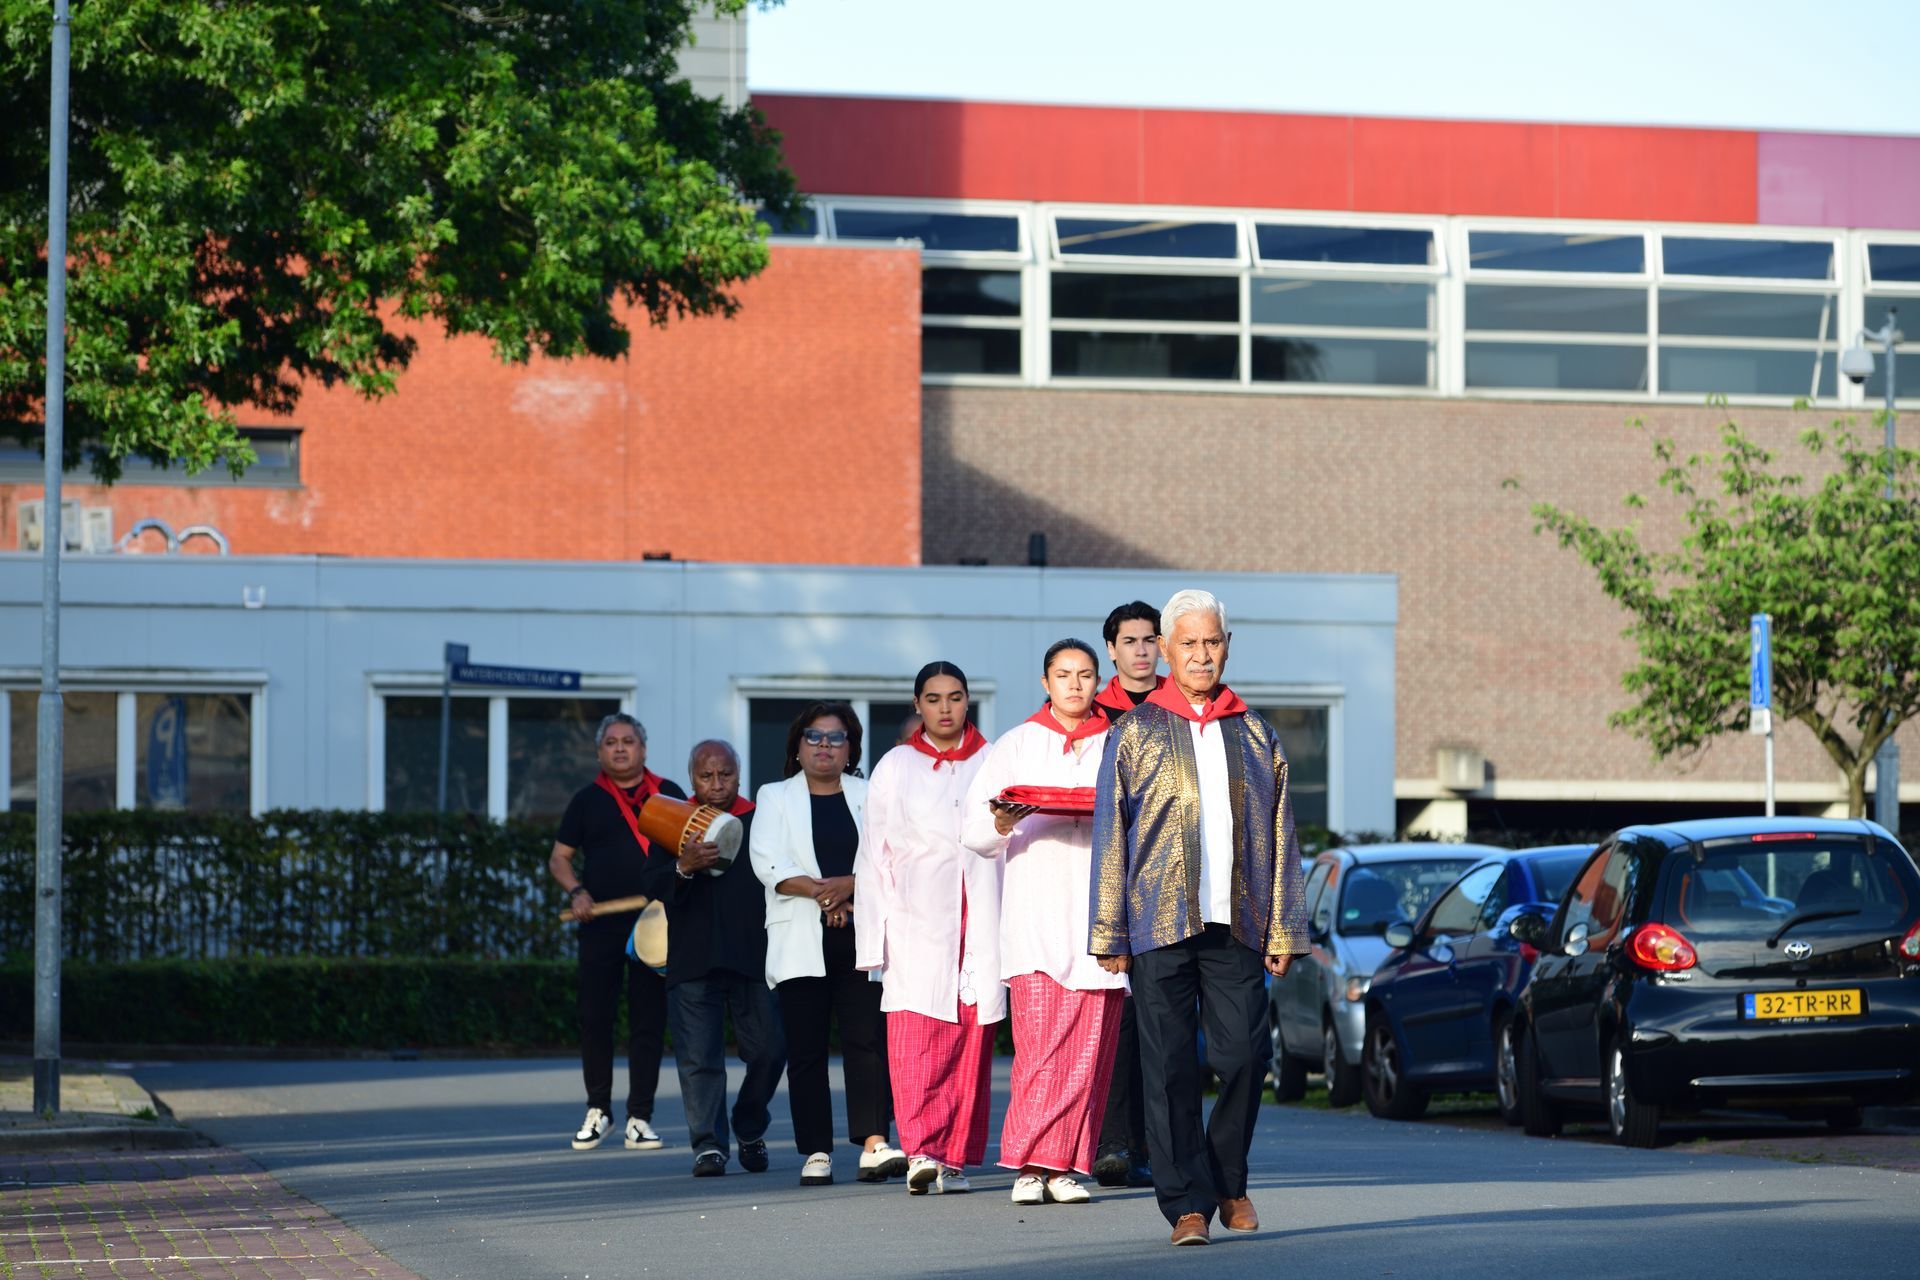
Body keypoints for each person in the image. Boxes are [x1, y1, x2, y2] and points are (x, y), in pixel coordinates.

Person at [1090, 589, 1309, 1247]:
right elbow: (1111, 833)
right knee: (1169, 1068)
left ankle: (1225, 1177)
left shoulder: (1255, 732)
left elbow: (1282, 831)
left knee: (1244, 1056)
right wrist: (1110, 931)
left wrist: (1285, 927)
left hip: (1237, 923)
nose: (1201, 654)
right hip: (1157, 924)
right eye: (1188, 642)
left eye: (1211, 642)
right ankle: (1187, 1203)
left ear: (1226, 647)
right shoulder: (1134, 731)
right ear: (1165, 649)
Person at [962, 639, 1125, 1206]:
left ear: (1097, 679)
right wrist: (1004, 821)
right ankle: (1028, 1165)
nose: (1075, 685)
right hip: (1034, 919)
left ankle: (1064, 1169)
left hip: (1102, 920)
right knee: (1040, 1049)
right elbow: (974, 833)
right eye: (1063, 675)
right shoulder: (1015, 744)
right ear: (1045, 682)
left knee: (1088, 1052)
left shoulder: (1120, 739)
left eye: (1085, 675)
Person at [857, 660, 1003, 1196]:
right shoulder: (895, 765)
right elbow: (873, 855)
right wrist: (874, 942)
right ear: (917, 705)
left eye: (955, 697)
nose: (946, 708)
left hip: (980, 917)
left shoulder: (993, 761)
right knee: (916, 1043)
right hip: (917, 921)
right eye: (934, 698)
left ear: (969, 702)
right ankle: (921, 1150)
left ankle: (956, 1159)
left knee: (969, 1044)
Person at [749, 703, 907, 1187]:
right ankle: (816, 1150)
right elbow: (767, 863)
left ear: (851, 749)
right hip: (800, 936)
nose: (824, 746)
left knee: (868, 1043)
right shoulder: (774, 797)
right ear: (796, 747)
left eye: (836, 738)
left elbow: (892, 858)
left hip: (861, 936)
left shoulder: (870, 793)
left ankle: (874, 1142)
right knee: (807, 1050)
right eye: (813, 737)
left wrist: (849, 885)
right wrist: (827, 893)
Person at [637, 739, 786, 1177]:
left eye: (725, 775)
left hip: (755, 957)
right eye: (707, 776)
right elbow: (653, 886)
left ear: (739, 775)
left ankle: (749, 1125)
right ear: (692, 778)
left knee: (771, 1050)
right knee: (698, 1058)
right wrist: (683, 865)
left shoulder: (760, 818)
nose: (717, 784)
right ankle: (709, 1146)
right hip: (692, 960)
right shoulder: (671, 820)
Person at [548, 712, 686, 1153]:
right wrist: (577, 891)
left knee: (648, 1020)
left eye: (629, 741)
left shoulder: (667, 793)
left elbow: (694, 844)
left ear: (643, 749)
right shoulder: (587, 800)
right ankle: (598, 1110)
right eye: (612, 742)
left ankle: (639, 1118)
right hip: (601, 924)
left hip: (656, 924)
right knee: (595, 1017)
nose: (621, 748)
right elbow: (559, 859)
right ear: (599, 752)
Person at [1089, 599, 1165, 1189]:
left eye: (1149, 639)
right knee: (1113, 1019)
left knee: (1154, 1024)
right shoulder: (1092, 714)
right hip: (1102, 879)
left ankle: (1148, 1143)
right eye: (1129, 641)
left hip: (1166, 887)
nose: (1141, 650)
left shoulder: (1183, 709)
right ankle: (1111, 1142)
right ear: (1111, 649)